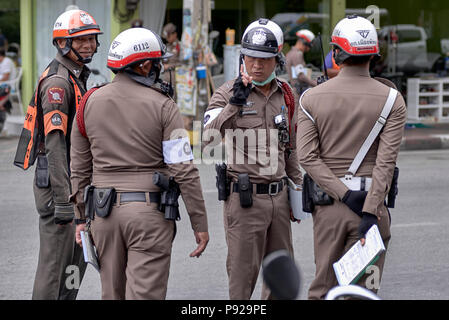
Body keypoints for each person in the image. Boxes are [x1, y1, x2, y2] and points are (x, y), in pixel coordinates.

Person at [70, 27, 209, 300]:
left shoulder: (89, 102)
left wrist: (80, 217)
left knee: (112, 294)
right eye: (157, 62)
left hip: (102, 215)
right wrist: (199, 222)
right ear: (145, 65)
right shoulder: (164, 105)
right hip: (148, 215)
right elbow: (183, 169)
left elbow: (79, 167)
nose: (160, 68)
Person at [297, 16, 406, 300]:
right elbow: (385, 163)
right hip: (372, 212)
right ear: (373, 53)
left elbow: (307, 157)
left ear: (336, 53)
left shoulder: (310, 98)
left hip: (331, 209)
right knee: (362, 295)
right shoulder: (392, 99)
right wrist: (370, 210)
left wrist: (345, 195)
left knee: (322, 290)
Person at [203, 18, 302, 300]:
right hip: (245, 201)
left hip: (280, 199)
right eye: (251, 58)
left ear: (277, 59)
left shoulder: (286, 94)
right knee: (242, 279)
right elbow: (207, 138)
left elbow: (290, 147)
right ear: (242, 58)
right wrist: (233, 104)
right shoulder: (226, 92)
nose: (257, 65)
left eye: (265, 59)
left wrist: (297, 190)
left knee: (280, 281)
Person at [13, 9, 102, 300]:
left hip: (74, 186)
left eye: (92, 39)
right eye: (82, 40)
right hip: (60, 189)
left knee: (75, 264)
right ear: (64, 43)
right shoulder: (58, 84)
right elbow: (54, 147)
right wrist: (67, 201)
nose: (89, 45)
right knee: (54, 268)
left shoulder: (75, 76)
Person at [285, 29, 317, 94]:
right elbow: (301, 76)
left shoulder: (290, 53)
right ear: (303, 42)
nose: (308, 49)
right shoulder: (298, 54)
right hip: (298, 92)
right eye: (308, 46)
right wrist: (315, 84)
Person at [161, 23, 180, 93]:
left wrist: (169, 66)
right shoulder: (166, 47)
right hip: (165, 76)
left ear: (174, 34)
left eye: (168, 36)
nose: (167, 39)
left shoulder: (180, 46)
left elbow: (183, 63)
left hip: (176, 76)